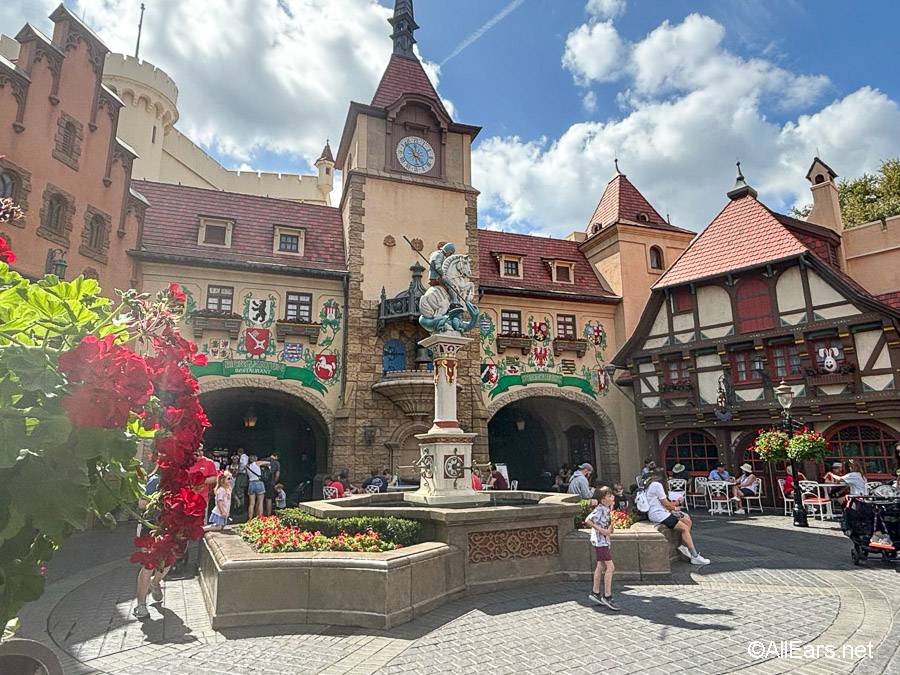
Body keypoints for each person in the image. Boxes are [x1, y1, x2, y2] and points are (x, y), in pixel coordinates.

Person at [644, 465, 710, 565]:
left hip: (661, 512)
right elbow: (666, 504)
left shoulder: (652, 484)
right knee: (684, 528)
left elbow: (665, 504)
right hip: (659, 514)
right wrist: (676, 507)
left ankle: (684, 545)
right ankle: (694, 555)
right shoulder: (657, 485)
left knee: (686, 520)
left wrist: (675, 506)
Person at [133, 467, 168, 620]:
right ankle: (141, 604)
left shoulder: (178, 481)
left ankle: (156, 583)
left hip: (168, 527)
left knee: (166, 563)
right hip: (151, 527)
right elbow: (141, 504)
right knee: (148, 566)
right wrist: (160, 502)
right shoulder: (155, 480)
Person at [586, 486, 620, 611]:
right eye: (609, 496)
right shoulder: (600, 509)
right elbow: (588, 520)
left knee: (600, 566)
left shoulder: (606, 509)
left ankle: (595, 592)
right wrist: (602, 530)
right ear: (603, 500)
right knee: (610, 567)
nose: (612, 497)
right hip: (601, 542)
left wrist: (609, 530)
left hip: (603, 541)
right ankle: (607, 595)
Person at [245, 454, 272, 519]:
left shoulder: (247, 466)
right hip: (259, 482)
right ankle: (259, 518)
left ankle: (250, 519)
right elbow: (268, 463)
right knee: (260, 502)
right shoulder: (257, 463)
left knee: (251, 503)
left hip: (251, 483)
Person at [263, 452, 281, 516]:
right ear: (276, 456)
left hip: (261, 482)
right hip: (270, 482)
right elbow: (277, 474)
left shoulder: (263, 460)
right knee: (269, 499)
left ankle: (259, 515)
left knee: (260, 499)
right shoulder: (276, 463)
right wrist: (274, 481)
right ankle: (268, 515)